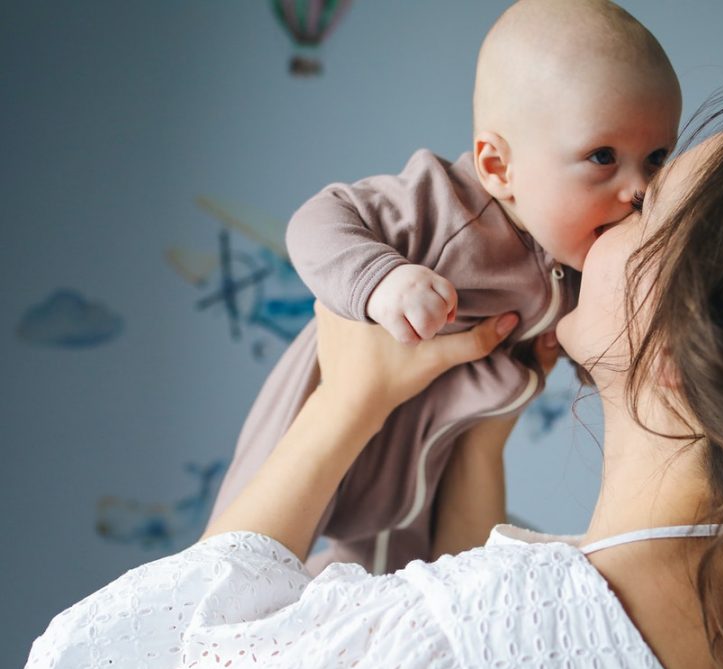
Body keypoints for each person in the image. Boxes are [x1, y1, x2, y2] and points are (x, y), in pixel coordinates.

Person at [3, 92, 723, 669]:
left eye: (646, 205)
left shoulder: (482, 637)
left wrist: (345, 400)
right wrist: (478, 447)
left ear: (678, 346)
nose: (603, 216)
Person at [209, 0, 683, 575]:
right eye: (602, 157)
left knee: (394, 584)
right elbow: (318, 219)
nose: (638, 189)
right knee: (238, 565)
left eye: (657, 159)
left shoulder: (581, 253)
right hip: (330, 409)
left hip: (429, 457)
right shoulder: (444, 206)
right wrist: (382, 279)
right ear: (498, 166)